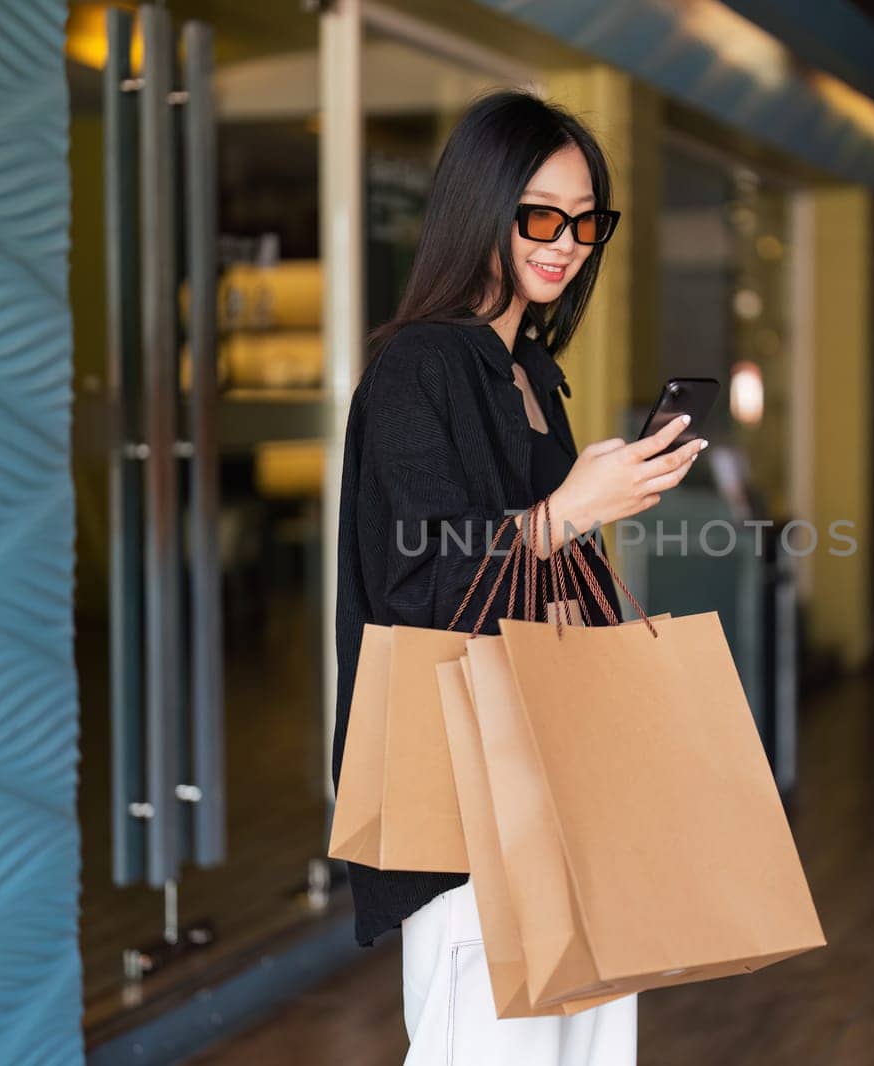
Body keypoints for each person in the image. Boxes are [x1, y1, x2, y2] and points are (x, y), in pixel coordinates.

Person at [331, 90, 705, 1064]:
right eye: (541, 214)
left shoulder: (530, 371)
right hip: (468, 794)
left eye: (586, 221)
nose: (567, 241)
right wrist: (564, 514)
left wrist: (593, 507)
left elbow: (540, 564)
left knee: (587, 1044)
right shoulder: (420, 368)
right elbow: (409, 585)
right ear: (479, 205)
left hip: (562, 775)